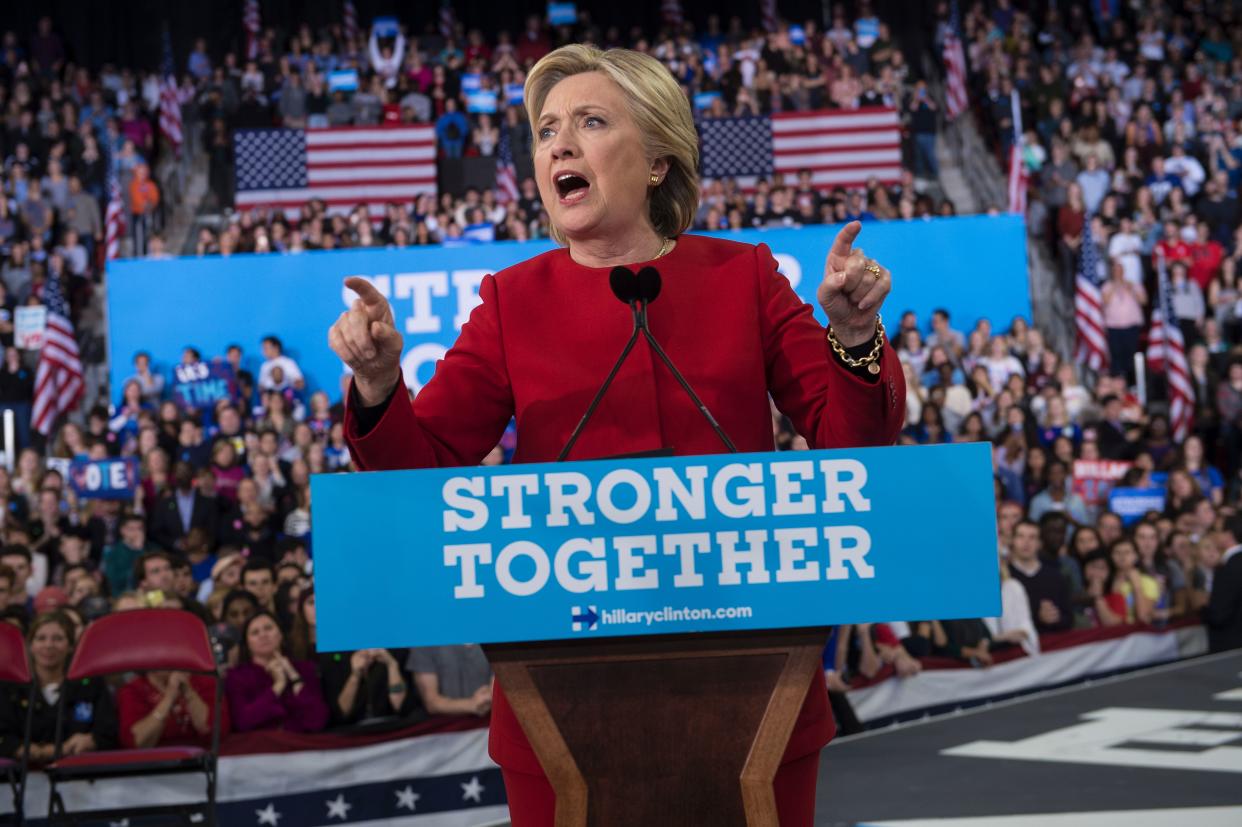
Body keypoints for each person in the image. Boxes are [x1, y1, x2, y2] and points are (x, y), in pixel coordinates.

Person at [330, 44, 905, 826]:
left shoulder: (745, 278)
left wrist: (855, 334)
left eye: (590, 122)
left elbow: (855, 451)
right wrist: (375, 383)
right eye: (545, 131)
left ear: (660, 159)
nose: (558, 145)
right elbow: (419, 470)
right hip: (559, 702)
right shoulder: (510, 301)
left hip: (754, 682)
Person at [0, 611, 117, 763]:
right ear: (30, 645)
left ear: (70, 646)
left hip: (79, 774)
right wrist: (21, 749)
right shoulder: (9, 686)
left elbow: (108, 733)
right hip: (21, 776)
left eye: (58, 639)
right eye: (41, 638)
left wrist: (91, 740)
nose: (49, 645)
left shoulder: (91, 683)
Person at [225, 611, 328, 732]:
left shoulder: (305, 669)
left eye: (268, 628)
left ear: (281, 634)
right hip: (261, 747)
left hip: (304, 744)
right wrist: (278, 685)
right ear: (247, 643)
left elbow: (318, 720)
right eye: (255, 632)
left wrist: (293, 675)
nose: (263, 635)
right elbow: (244, 722)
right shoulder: (236, 677)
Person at [117, 667, 229, 749]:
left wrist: (188, 691)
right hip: (152, 769)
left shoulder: (207, 682)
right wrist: (169, 698)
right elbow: (135, 742)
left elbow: (217, 731)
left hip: (202, 762)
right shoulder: (132, 690)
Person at [1206, 516, 1242, 652]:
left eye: (1217, 531)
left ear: (1228, 535)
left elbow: (1218, 616)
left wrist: (1203, 610)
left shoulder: (1226, 568)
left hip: (1230, 648)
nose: (1214, 535)